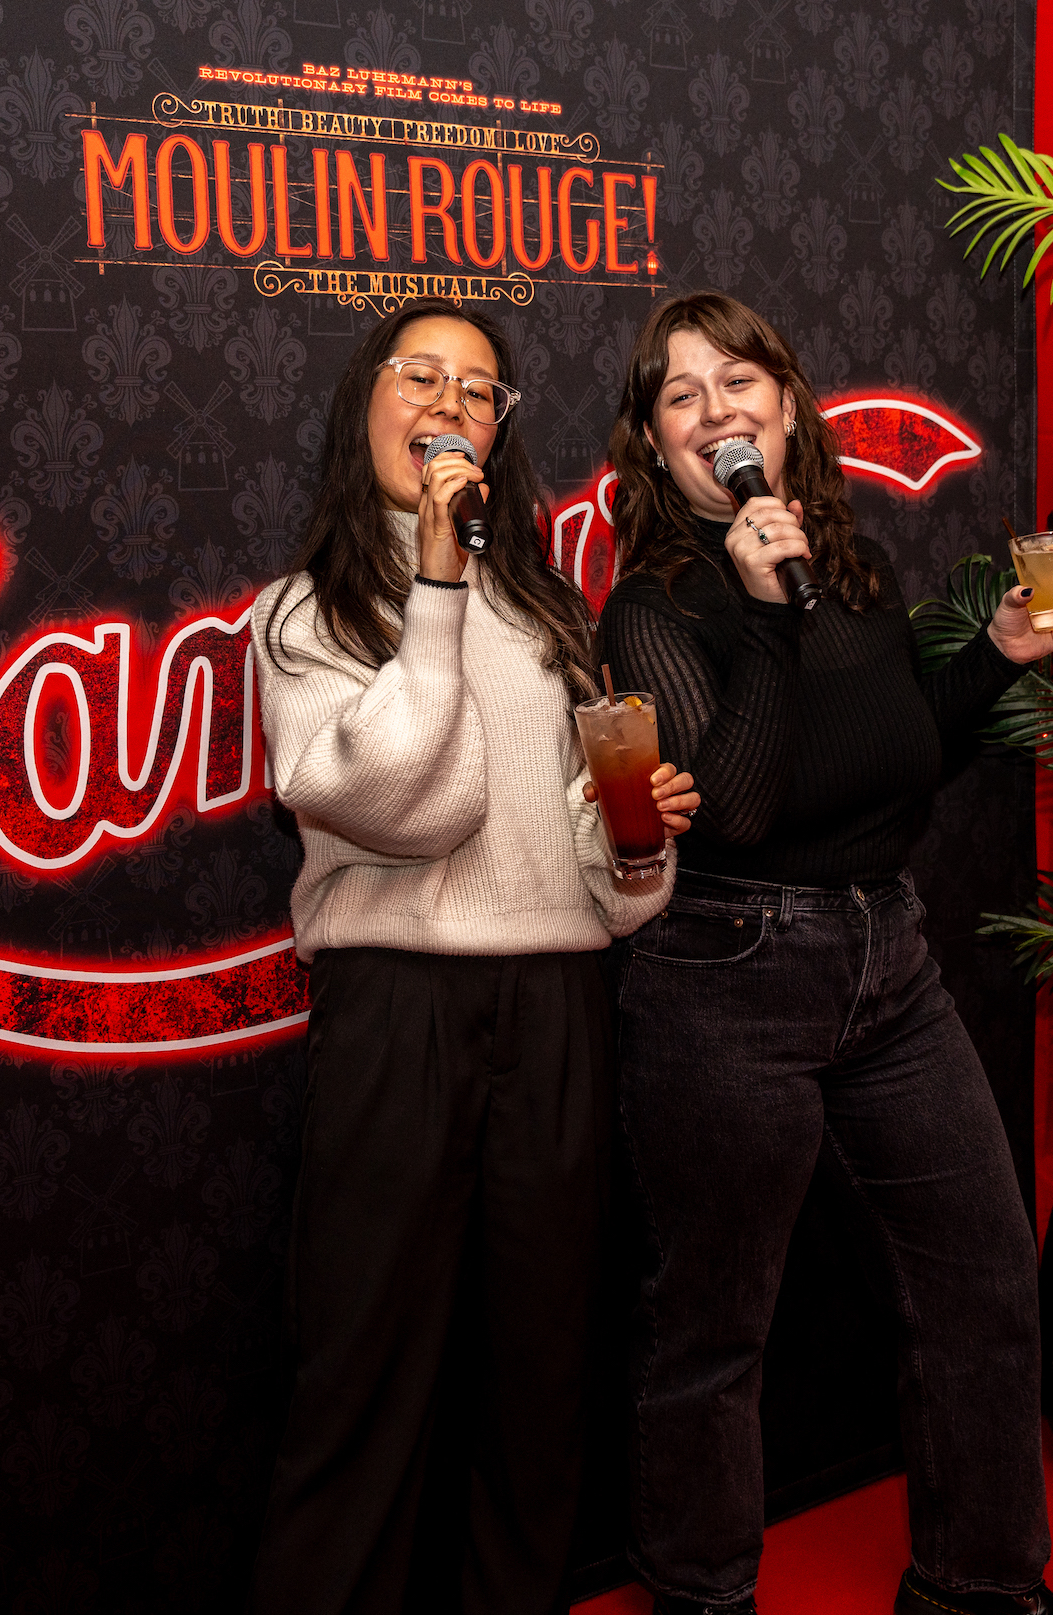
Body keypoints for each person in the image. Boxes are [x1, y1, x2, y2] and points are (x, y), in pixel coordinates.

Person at [598, 290, 1053, 1615]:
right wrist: (763, 615)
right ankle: (703, 1596)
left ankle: (981, 1587)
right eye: (683, 395)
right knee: (715, 1328)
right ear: (654, 447)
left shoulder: (846, 554)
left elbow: (896, 757)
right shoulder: (651, 609)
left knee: (984, 1278)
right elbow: (744, 809)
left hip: (892, 956)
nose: (719, 411)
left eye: (739, 381)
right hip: (727, 976)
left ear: (785, 402)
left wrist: (995, 656)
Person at [249, 297, 698, 1615]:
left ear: (501, 437)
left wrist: (636, 840)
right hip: (398, 1013)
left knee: (540, 1383)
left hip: (560, 1006)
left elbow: (607, 887)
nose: (451, 405)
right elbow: (411, 804)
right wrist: (436, 586)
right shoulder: (303, 614)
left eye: (481, 392)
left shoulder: (553, 617)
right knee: (364, 1385)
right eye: (422, 376)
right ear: (365, 405)